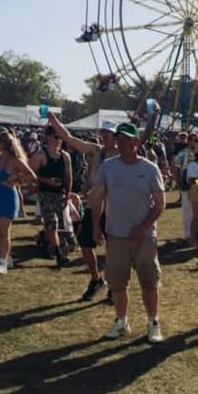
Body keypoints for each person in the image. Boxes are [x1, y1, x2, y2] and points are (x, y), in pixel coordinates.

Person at [90, 123, 166, 343]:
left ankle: (153, 322)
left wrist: (143, 227)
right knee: (117, 283)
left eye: (126, 140)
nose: (121, 144)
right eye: (119, 139)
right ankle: (121, 320)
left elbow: (160, 204)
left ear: (136, 142)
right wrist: (96, 226)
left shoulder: (150, 169)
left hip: (145, 237)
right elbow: (97, 199)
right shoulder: (108, 167)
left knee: (149, 281)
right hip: (116, 235)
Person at [48, 115, 120, 301]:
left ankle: (115, 285)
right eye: (104, 134)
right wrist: (53, 119)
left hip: (113, 209)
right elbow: (70, 139)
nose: (106, 138)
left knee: (114, 249)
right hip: (94, 206)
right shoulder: (97, 151)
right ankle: (96, 279)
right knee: (85, 244)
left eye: (110, 135)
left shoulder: (122, 156)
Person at [0, 130, 36, 274]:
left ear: (5, 144)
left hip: (8, 196)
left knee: (4, 232)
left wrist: (15, 178)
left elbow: (32, 177)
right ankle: (6, 258)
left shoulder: (15, 160)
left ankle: (2, 262)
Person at [30, 126, 74, 267]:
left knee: (60, 225)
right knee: (51, 222)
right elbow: (30, 174)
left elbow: (69, 177)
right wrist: (46, 180)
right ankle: (58, 254)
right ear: (48, 137)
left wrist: (67, 195)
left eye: (60, 137)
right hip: (46, 194)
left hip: (60, 195)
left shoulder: (65, 156)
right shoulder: (40, 155)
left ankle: (46, 242)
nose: (59, 140)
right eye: (56, 137)